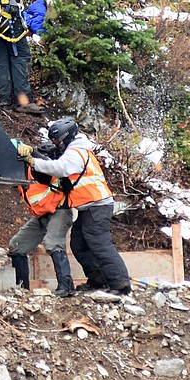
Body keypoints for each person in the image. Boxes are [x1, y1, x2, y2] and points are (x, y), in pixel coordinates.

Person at [18, 118, 131, 296]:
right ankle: (97, 280)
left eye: (57, 141)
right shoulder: (76, 149)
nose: (56, 144)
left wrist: (34, 162)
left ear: (65, 137)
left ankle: (120, 284)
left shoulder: (75, 152)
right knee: (79, 245)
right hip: (89, 207)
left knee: (101, 245)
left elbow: (60, 169)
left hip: (97, 205)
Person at [8, 141, 75, 298]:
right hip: (42, 216)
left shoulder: (37, 169)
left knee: (52, 242)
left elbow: (49, 167)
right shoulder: (18, 174)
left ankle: (66, 286)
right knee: (17, 245)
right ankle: (22, 289)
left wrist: (32, 154)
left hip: (59, 211)